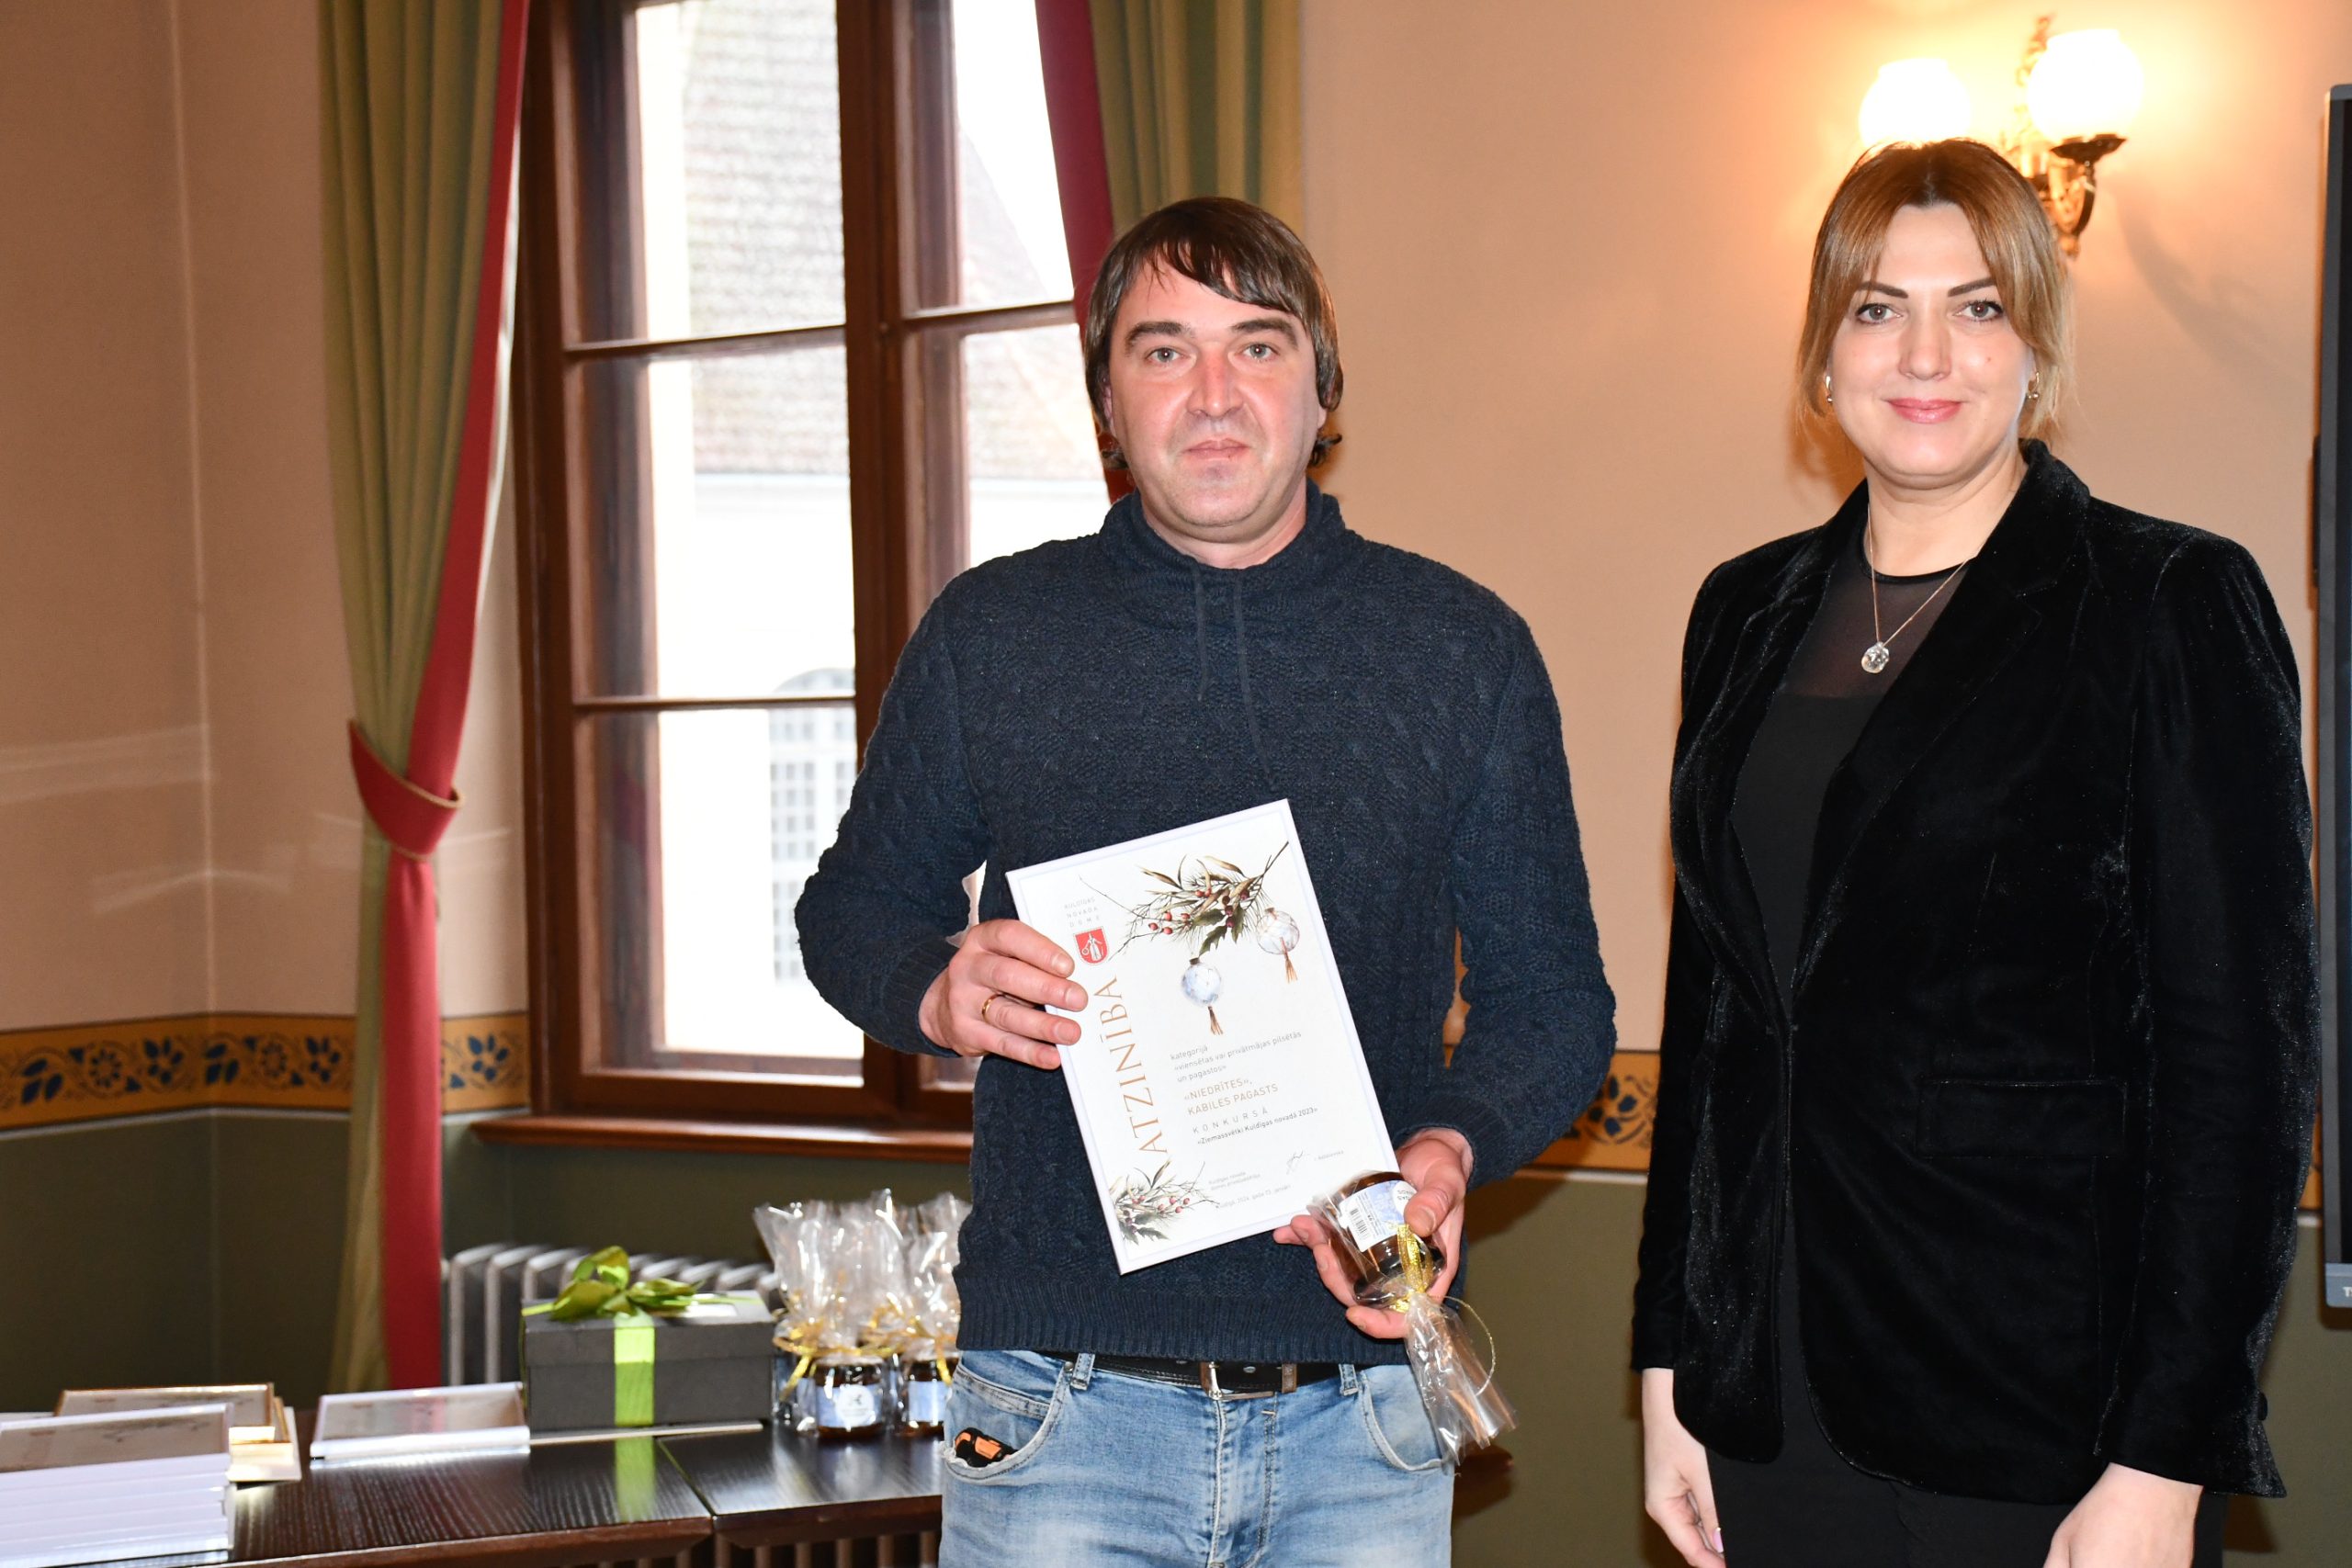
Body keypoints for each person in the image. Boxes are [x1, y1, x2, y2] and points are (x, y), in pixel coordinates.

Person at [797, 196, 1615, 1567]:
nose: (1216, 394)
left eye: (1259, 345)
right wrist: (935, 991)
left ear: (1323, 390)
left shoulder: (1460, 651)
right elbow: (850, 910)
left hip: (1364, 1420)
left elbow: (1556, 1005)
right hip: (1055, 1412)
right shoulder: (993, 636)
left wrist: (1453, 1144)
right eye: (1165, 351)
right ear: (1109, 405)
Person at [1633, 139, 2318, 1568]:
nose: (1925, 354)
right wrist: (1670, 1364)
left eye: (1979, 307)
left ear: (2037, 348)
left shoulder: (2166, 601)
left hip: (2045, 1419)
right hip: (1768, 1400)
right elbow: (1713, 1017)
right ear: (1824, 357)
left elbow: (2240, 1072)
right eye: (1878, 308)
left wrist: (2165, 1459)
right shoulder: (1742, 613)